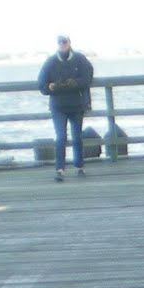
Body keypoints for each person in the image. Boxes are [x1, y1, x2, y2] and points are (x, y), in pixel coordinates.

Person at [37, 35, 94, 181]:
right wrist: (50, 87)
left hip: (77, 104)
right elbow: (42, 84)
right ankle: (60, 168)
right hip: (58, 105)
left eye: (65, 42)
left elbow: (88, 77)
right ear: (57, 44)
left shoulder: (80, 59)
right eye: (60, 42)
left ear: (70, 43)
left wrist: (74, 83)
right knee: (61, 137)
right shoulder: (50, 61)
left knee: (77, 137)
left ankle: (80, 166)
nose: (62, 44)